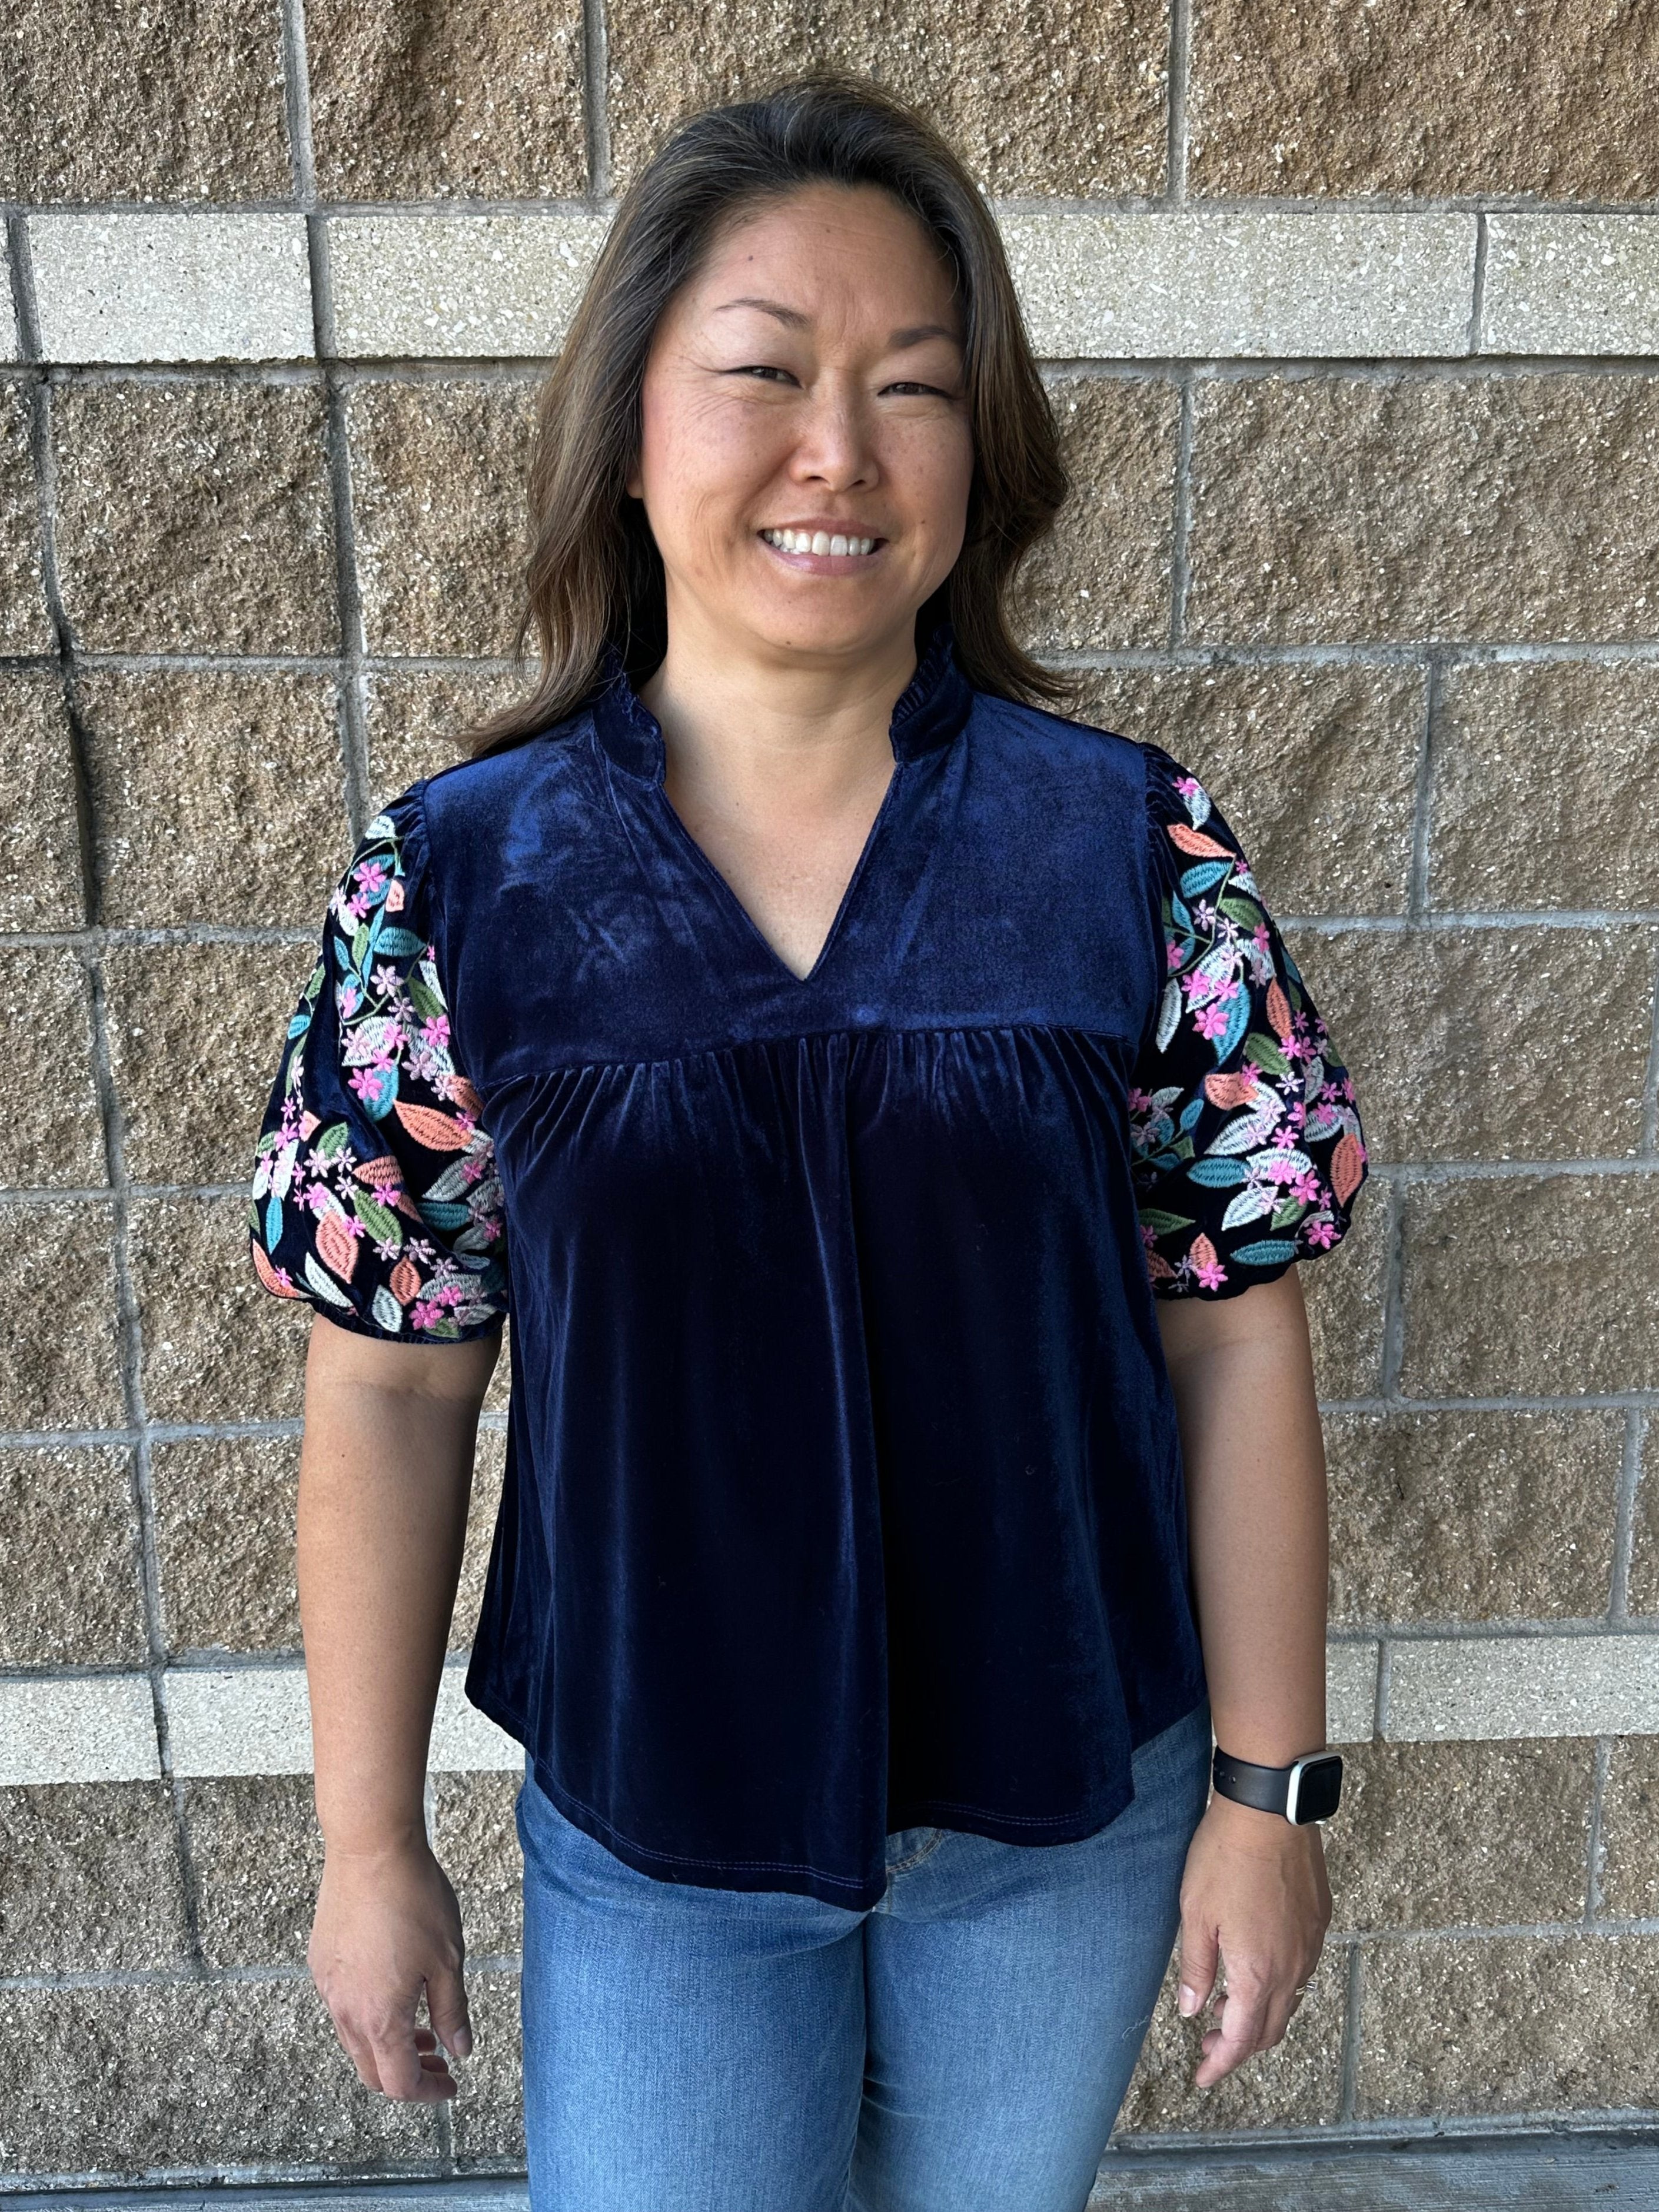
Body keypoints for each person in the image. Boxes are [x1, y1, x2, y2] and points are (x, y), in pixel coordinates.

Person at [247, 68, 1369, 2212]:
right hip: (658, 1831)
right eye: (762, 372)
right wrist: (367, 1847)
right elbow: (388, 1387)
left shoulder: (1128, 846)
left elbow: (1233, 1334)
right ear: (637, 422)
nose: (837, 452)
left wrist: (1266, 1794)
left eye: (913, 388)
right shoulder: (457, 883)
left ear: (982, 447)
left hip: (1068, 1814)